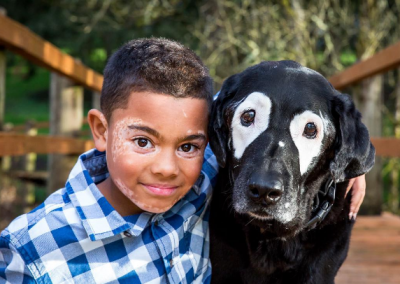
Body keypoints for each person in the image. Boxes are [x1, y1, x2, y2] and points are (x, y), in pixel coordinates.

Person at [0, 38, 366, 284]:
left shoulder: (196, 178)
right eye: (142, 141)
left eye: (189, 146)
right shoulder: (26, 251)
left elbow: (242, 107)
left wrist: (346, 162)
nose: (166, 167)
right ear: (100, 129)